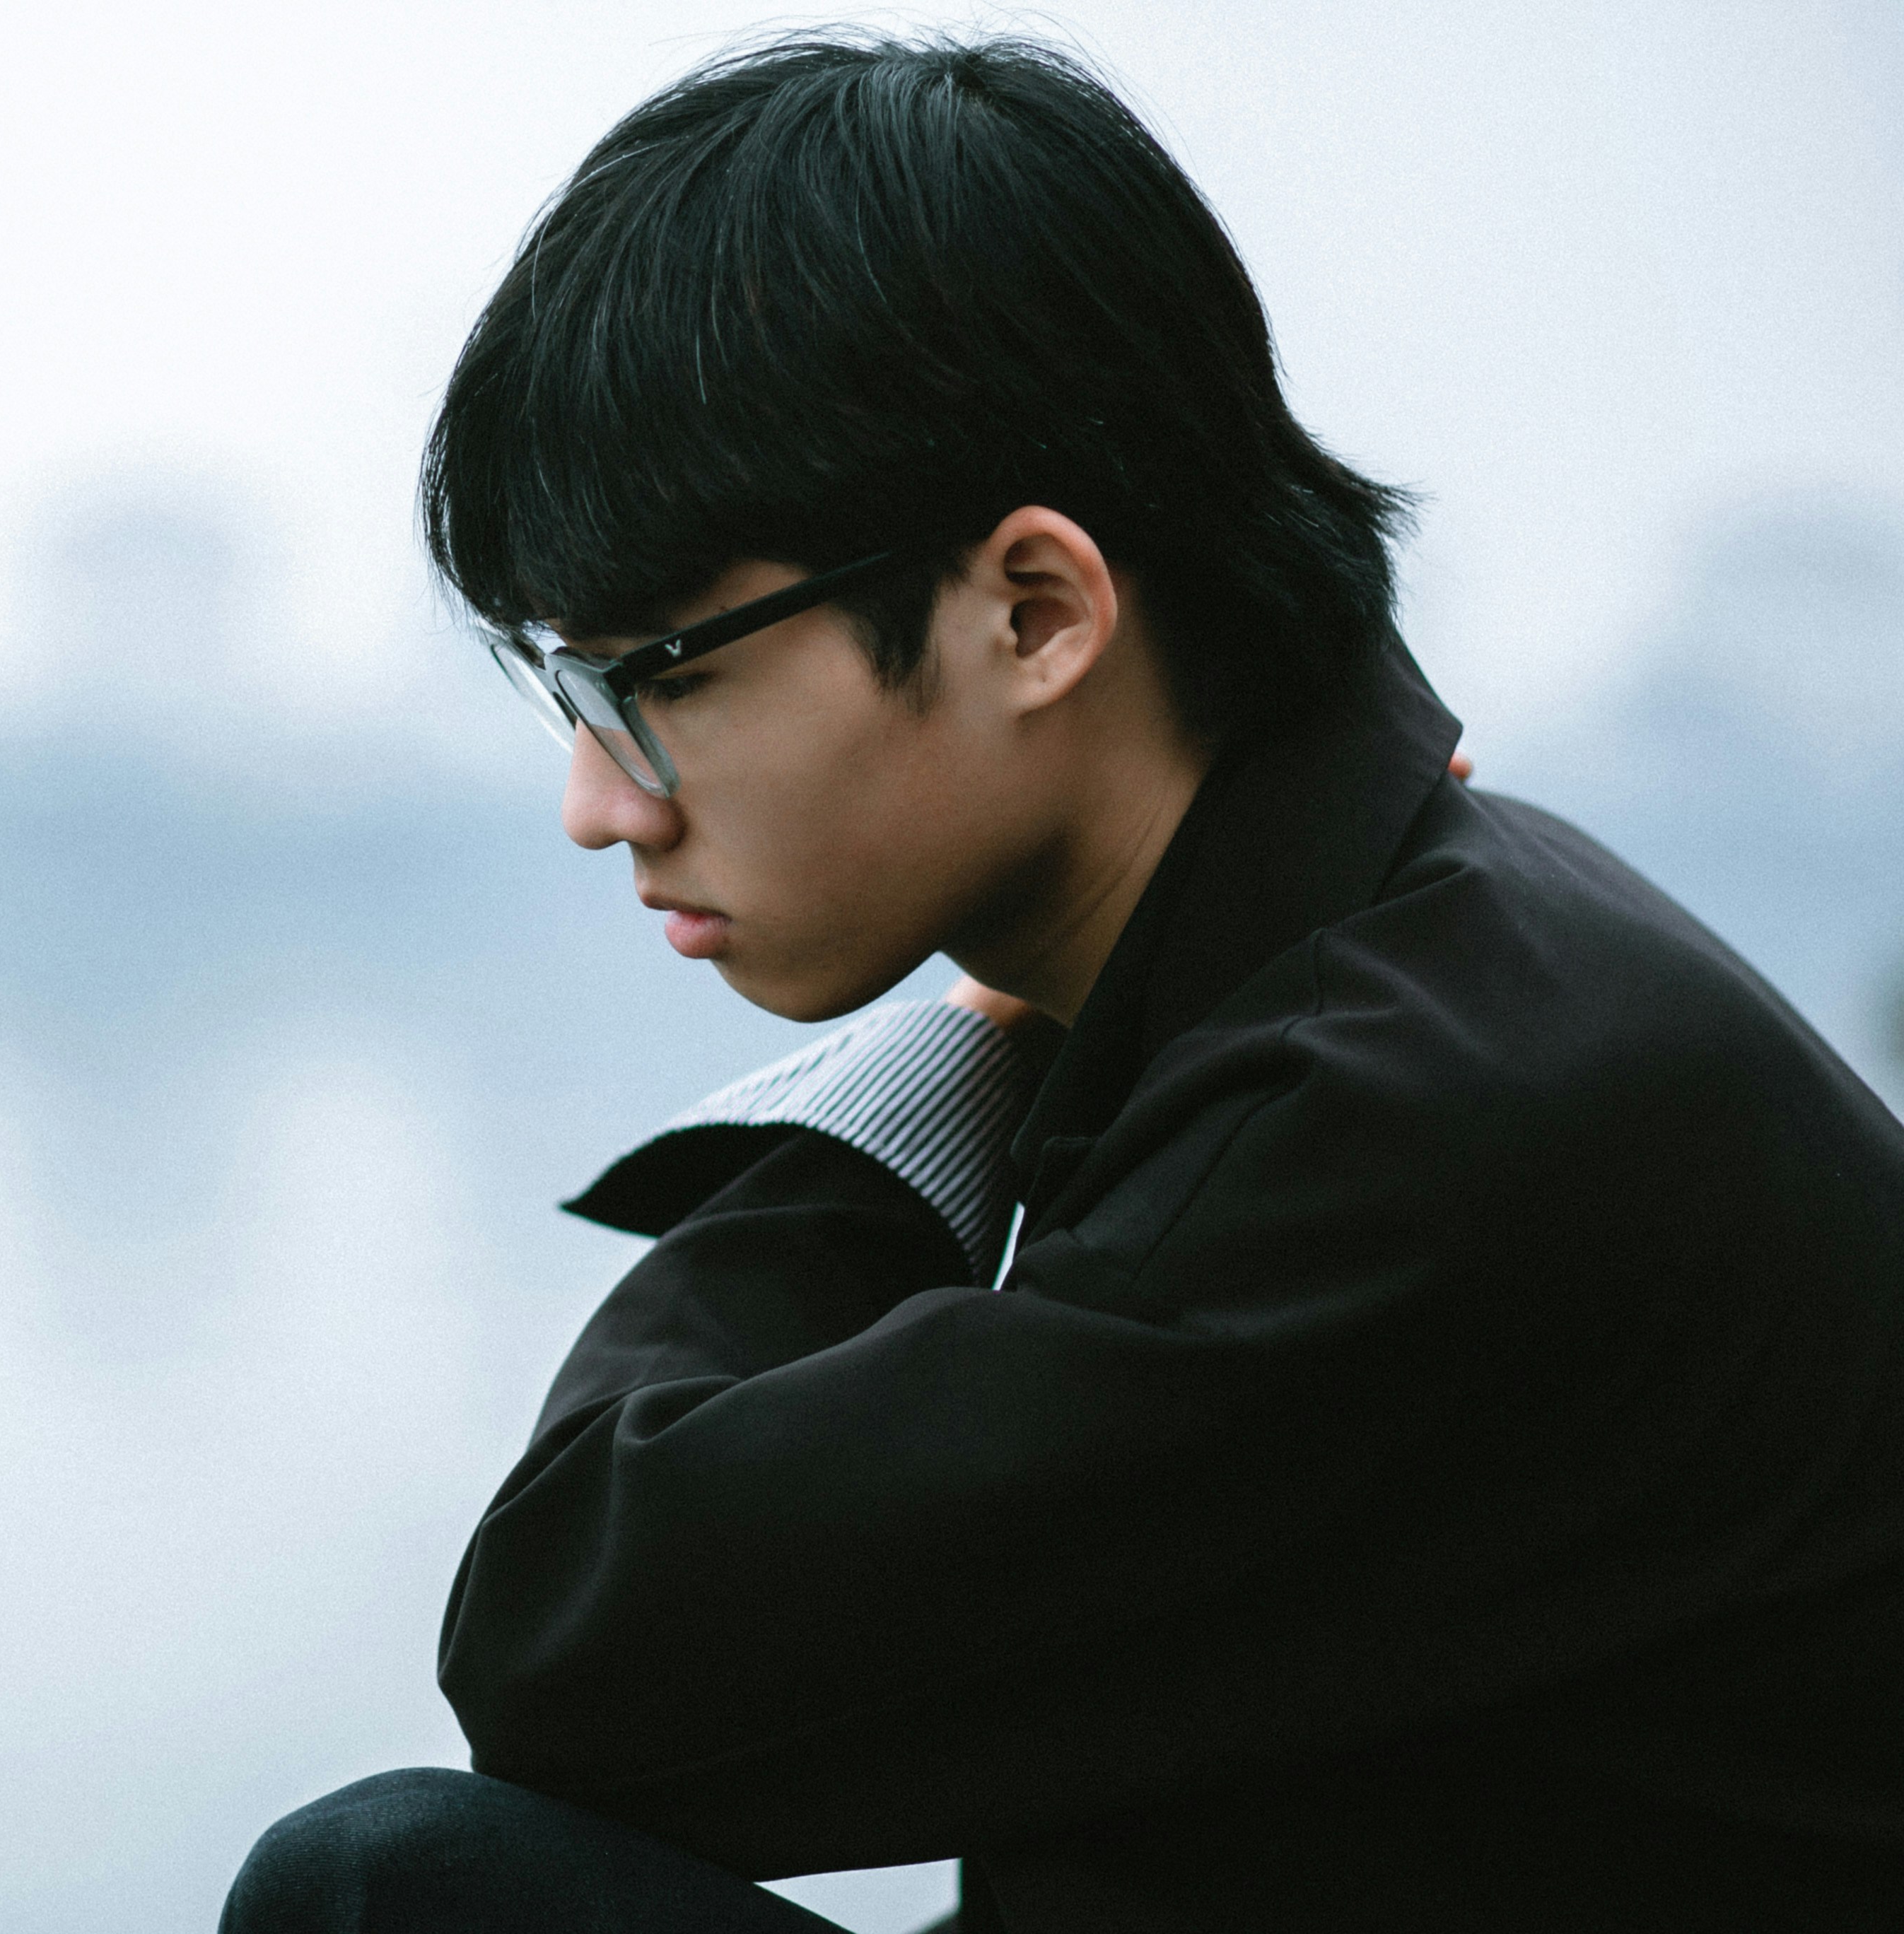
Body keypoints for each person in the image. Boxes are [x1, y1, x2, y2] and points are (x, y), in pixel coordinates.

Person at [223, 30, 1904, 1933]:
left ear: (1033, 614)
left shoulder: (1423, 1118)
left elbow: (576, 1656)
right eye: (568, 691)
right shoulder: (1381, 960)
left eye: (660, 682)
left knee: (390, 1900)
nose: (598, 805)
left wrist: (925, 1082)